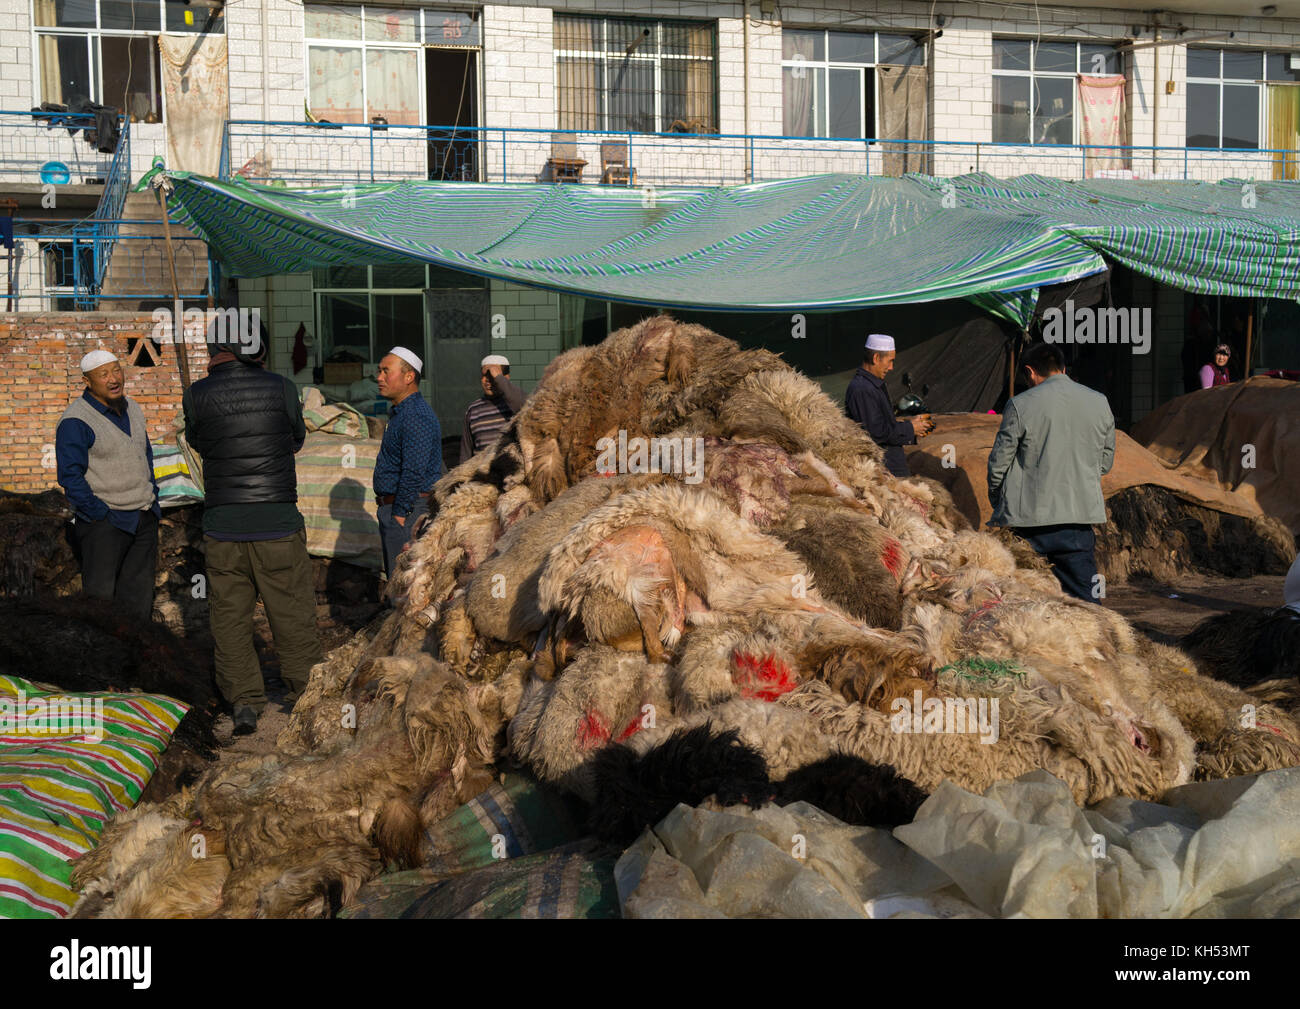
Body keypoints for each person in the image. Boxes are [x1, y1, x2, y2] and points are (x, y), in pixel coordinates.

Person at [184, 320, 322, 736]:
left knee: (228, 618)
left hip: (223, 525)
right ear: (256, 348)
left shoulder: (196, 395)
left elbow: (199, 442)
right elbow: (296, 438)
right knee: (292, 613)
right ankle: (306, 695)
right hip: (276, 521)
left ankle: (244, 702)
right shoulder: (281, 388)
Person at [987, 342, 1116, 602]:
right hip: (1078, 521)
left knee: (1026, 599)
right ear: (1063, 368)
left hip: (1028, 522)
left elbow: (999, 462)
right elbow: (1105, 462)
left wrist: (997, 498)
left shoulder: (1020, 404)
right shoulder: (1099, 401)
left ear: (1030, 372)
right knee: (1086, 601)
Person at [55, 349, 160, 621]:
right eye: (103, 374)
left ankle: (138, 659)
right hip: (106, 522)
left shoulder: (132, 407)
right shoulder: (75, 421)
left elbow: (144, 453)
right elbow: (70, 476)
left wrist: (153, 498)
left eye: (116, 370)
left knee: (139, 600)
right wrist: (99, 513)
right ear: (87, 381)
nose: (113, 379)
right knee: (100, 603)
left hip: (143, 515)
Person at [373, 346, 442, 580]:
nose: (379, 377)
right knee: (400, 586)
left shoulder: (415, 415)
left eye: (385, 371)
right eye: (379, 371)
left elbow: (413, 470)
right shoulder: (402, 413)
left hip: (408, 512)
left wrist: (400, 516)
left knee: (405, 589)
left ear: (409, 376)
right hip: (400, 510)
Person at [845, 333, 933, 477]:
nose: (891, 367)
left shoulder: (871, 385)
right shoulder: (862, 389)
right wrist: (910, 428)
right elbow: (876, 432)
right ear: (876, 358)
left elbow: (880, 423)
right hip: (884, 473)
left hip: (890, 468)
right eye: (890, 361)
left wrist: (909, 424)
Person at [460, 353, 526, 461]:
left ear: (505, 378)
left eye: (492, 376)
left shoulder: (515, 405)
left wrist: (499, 379)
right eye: (484, 376)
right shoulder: (473, 410)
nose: (487, 380)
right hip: (481, 475)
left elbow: (526, 405)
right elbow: (466, 453)